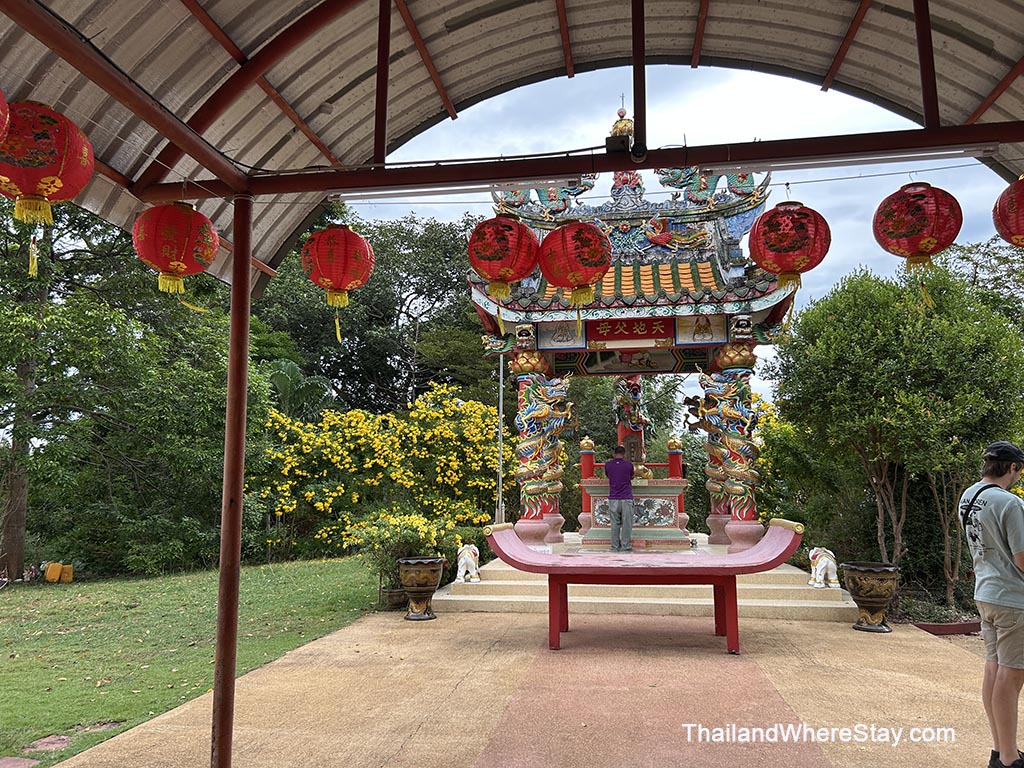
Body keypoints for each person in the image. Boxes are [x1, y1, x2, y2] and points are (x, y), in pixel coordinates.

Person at [959, 441, 1024, 768]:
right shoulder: (1009, 503)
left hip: (985, 593)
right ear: (1012, 468)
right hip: (1014, 599)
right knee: (1011, 677)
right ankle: (1011, 759)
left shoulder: (968, 497)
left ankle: (1000, 749)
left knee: (993, 668)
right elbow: (1022, 558)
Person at [604, 445, 635, 552]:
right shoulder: (629, 465)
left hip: (613, 497)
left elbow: (608, 475)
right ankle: (626, 546)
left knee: (614, 523)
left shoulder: (608, 465)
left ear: (614, 454)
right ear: (624, 454)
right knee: (627, 523)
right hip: (626, 497)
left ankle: (614, 546)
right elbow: (631, 476)